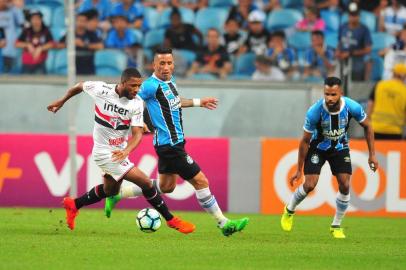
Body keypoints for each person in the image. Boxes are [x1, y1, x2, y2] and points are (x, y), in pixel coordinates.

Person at [105, 47, 249, 237]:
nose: (166, 67)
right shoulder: (149, 86)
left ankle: (118, 194)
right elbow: (131, 101)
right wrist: (139, 124)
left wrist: (199, 102)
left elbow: (175, 101)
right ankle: (224, 224)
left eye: (169, 63)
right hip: (169, 145)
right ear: (154, 65)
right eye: (162, 64)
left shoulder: (170, 82)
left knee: (167, 187)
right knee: (201, 181)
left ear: (173, 64)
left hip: (172, 143)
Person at [46, 68, 195, 234]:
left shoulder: (137, 102)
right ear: (122, 83)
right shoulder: (102, 90)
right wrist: (61, 101)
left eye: (139, 86)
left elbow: (138, 134)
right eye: (133, 86)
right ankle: (171, 220)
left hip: (119, 151)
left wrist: (127, 150)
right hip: (104, 152)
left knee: (111, 190)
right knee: (145, 183)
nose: (137, 89)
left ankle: (74, 204)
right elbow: (79, 86)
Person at [281, 76, 379, 239]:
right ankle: (289, 210)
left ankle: (336, 225)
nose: (329, 98)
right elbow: (305, 141)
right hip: (318, 148)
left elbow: (368, 126)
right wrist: (299, 170)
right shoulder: (315, 111)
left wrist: (372, 155)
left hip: (340, 147)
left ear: (340, 92)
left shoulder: (351, 106)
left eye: (333, 94)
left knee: (345, 184)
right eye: (327, 94)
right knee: (310, 184)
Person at [367, 63, 406, 140]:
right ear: (404, 77)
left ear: (393, 74)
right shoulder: (404, 90)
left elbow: (370, 104)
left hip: (376, 128)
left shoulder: (379, 85)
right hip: (395, 131)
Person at [336, 2, 372, 81]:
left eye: (355, 15)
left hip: (357, 60)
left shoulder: (364, 29)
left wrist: (350, 53)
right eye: (351, 15)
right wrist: (338, 51)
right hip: (342, 58)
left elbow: (368, 49)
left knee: (354, 80)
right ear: (348, 15)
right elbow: (340, 42)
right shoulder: (343, 27)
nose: (353, 17)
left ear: (359, 16)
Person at [15, 10, 53, 74]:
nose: (36, 21)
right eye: (33, 19)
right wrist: (28, 45)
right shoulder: (26, 31)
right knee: (23, 82)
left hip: (40, 63)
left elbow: (52, 44)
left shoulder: (46, 31)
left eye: (38, 18)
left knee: (42, 82)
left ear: (41, 20)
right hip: (26, 64)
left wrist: (40, 48)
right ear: (30, 20)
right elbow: (16, 44)